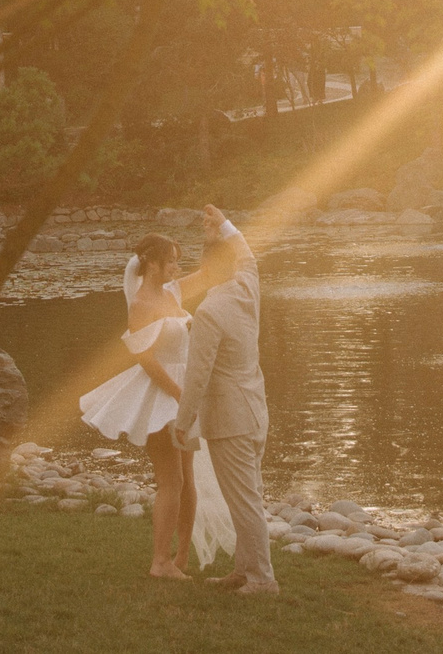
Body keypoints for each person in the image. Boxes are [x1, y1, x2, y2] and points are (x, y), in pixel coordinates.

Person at [77, 233, 235, 577]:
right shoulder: (141, 306)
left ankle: (180, 558)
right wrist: (179, 394)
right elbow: (145, 358)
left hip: (185, 391)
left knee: (188, 477)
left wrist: (225, 236)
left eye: (178, 261)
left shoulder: (173, 292)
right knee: (171, 479)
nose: (177, 268)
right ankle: (159, 561)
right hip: (161, 393)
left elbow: (209, 274)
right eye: (172, 261)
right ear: (151, 264)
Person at [173, 204, 277, 595]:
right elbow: (246, 253)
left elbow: (196, 376)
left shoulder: (209, 313)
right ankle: (244, 570)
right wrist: (223, 226)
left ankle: (263, 579)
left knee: (245, 501)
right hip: (254, 409)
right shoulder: (247, 286)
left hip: (230, 419)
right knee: (248, 494)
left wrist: (182, 423)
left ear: (210, 270)